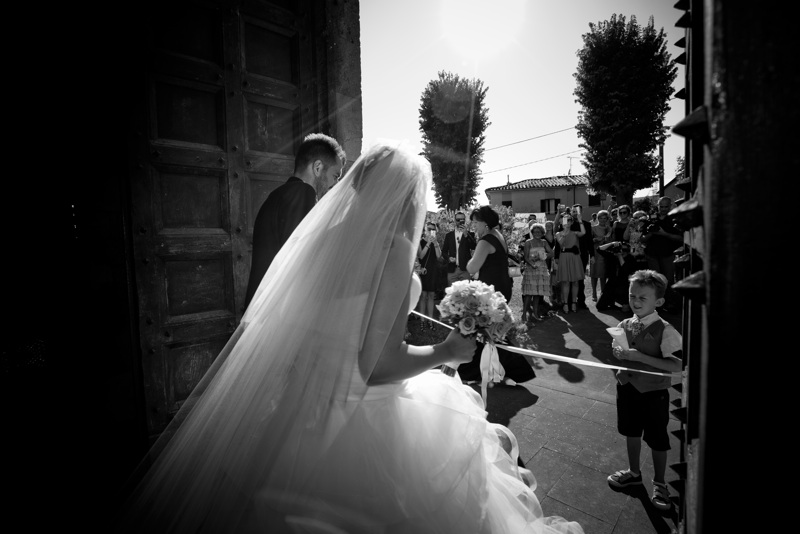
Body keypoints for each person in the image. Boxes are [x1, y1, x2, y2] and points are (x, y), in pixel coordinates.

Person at [117, 142, 583, 534]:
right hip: (369, 420)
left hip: (305, 412)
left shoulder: (326, 239)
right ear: (406, 196)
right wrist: (447, 351)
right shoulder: (394, 249)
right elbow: (376, 366)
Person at [607, 270, 683, 512]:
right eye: (632, 296)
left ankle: (660, 483)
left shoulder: (667, 330)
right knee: (631, 431)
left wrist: (639, 356)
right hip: (627, 388)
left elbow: (678, 364)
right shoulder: (624, 324)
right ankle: (634, 472)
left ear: (658, 302)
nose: (635, 302)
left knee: (658, 439)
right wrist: (618, 352)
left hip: (653, 394)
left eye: (642, 298)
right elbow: (619, 351)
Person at [244, 132, 346, 307]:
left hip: (262, 305)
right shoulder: (303, 193)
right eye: (336, 176)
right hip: (276, 310)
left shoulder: (278, 194)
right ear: (318, 167)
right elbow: (301, 259)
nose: (335, 184)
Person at [456, 206, 537, 387]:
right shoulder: (497, 234)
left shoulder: (485, 241)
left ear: (485, 223)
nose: (473, 226)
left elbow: (470, 268)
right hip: (500, 289)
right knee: (488, 333)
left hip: (490, 294)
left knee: (487, 333)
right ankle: (481, 372)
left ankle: (515, 372)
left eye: (475, 223)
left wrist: (466, 246)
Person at [641, 197, 684, 313]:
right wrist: (651, 233)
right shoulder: (651, 219)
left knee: (668, 281)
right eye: (661, 206)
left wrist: (664, 234)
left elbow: (681, 238)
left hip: (668, 254)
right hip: (652, 254)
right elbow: (643, 239)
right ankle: (656, 306)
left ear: (670, 206)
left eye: (666, 206)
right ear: (657, 206)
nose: (663, 209)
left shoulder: (674, 220)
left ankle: (669, 303)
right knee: (655, 281)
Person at [553, 207, 586, 313]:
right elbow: (561, 243)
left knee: (575, 282)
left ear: (572, 222)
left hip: (574, 258)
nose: (566, 222)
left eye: (569, 220)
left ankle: (574, 303)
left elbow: (583, 233)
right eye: (564, 220)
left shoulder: (575, 233)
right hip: (564, 257)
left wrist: (580, 220)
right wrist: (564, 231)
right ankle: (565, 304)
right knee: (565, 282)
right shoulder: (559, 233)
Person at [520, 222, 552, 321]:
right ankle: (524, 314)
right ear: (532, 232)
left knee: (538, 293)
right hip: (531, 269)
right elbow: (525, 257)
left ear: (542, 233)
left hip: (541, 269)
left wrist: (543, 256)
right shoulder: (528, 242)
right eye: (535, 231)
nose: (537, 233)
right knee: (529, 293)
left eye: (539, 231)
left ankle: (535, 314)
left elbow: (552, 253)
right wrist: (532, 264)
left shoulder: (544, 242)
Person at [415, 220, 441, 329]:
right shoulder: (420, 241)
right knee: (423, 296)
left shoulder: (436, 242)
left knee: (431, 295)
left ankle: (430, 320)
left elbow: (439, 256)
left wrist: (435, 244)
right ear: (425, 230)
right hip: (423, 271)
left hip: (432, 270)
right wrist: (428, 243)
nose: (431, 231)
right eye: (429, 229)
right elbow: (421, 256)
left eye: (433, 229)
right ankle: (422, 321)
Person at [440, 211, 476, 286]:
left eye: (462, 219)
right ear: (455, 220)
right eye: (458, 219)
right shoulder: (449, 235)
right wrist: (449, 258)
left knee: (466, 293)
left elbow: (473, 246)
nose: (460, 221)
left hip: (465, 269)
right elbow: (444, 252)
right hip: (452, 270)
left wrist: (466, 235)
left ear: (465, 220)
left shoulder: (470, 234)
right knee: (452, 295)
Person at [571, 204, 594, 309]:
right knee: (570, 278)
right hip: (569, 254)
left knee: (580, 279)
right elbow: (559, 230)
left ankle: (581, 301)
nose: (576, 213)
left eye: (578, 211)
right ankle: (570, 301)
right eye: (574, 211)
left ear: (582, 212)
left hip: (583, 254)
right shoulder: (568, 223)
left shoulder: (587, 224)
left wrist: (592, 255)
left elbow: (589, 240)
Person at [589, 209, 612, 301]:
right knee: (594, 273)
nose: (602, 220)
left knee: (603, 274)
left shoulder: (609, 228)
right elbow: (589, 241)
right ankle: (594, 292)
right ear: (597, 218)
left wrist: (608, 235)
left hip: (605, 253)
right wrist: (595, 240)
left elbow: (611, 241)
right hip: (595, 252)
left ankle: (603, 292)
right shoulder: (593, 228)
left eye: (604, 218)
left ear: (607, 219)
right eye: (600, 218)